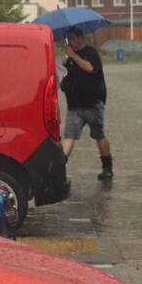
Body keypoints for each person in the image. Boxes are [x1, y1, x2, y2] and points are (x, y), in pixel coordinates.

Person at [60, 28, 112, 180]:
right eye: (68, 39)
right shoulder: (69, 58)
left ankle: (107, 168)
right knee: (69, 136)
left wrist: (74, 56)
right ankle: (59, 167)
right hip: (75, 106)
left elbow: (89, 68)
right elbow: (68, 76)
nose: (70, 42)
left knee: (99, 135)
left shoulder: (91, 53)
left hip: (92, 104)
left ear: (81, 38)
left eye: (72, 38)